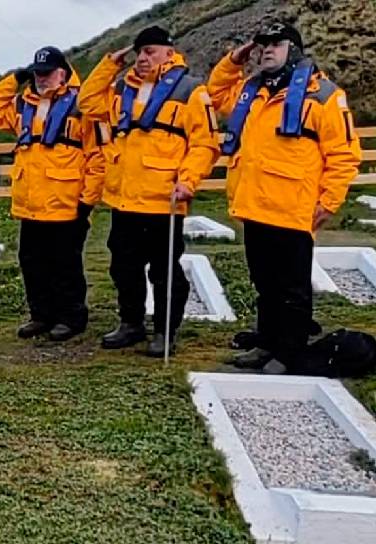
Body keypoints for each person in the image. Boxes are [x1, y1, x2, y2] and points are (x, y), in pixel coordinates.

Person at [208, 22, 361, 374]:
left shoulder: (323, 95)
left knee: (292, 289)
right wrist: (235, 59)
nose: (266, 50)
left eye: (275, 44)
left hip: (294, 209)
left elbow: (344, 155)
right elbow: (215, 95)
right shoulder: (251, 91)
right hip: (253, 206)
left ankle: (288, 352)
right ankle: (266, 343)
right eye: (262, 45)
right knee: (265, 284)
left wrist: (329, 201)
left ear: (294, 49)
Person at [78, 26, 220, 357]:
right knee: (123, 266)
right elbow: (86, 102)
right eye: (139, 52)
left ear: (170, 53)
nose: (143, 58)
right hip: (124, 199)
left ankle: (165, 331)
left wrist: (188, 180)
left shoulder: (190, 91)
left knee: (164, 270)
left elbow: (205, 144)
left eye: (151, 51)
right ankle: (131, 323)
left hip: (163, 200)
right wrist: (110, 63)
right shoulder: (121, 88)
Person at [0, 46, 107, 342]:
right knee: (32, 263)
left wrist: (87, 202)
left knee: (66, 266)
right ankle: (41, 316)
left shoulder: (83, 105)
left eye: (47, 73)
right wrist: (15, 79)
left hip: (67, 204)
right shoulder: (23, 105)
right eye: (37, 73)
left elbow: (97, 158)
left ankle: (71, 318)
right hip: (30, 204)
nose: (41, 79)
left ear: (63, 72)